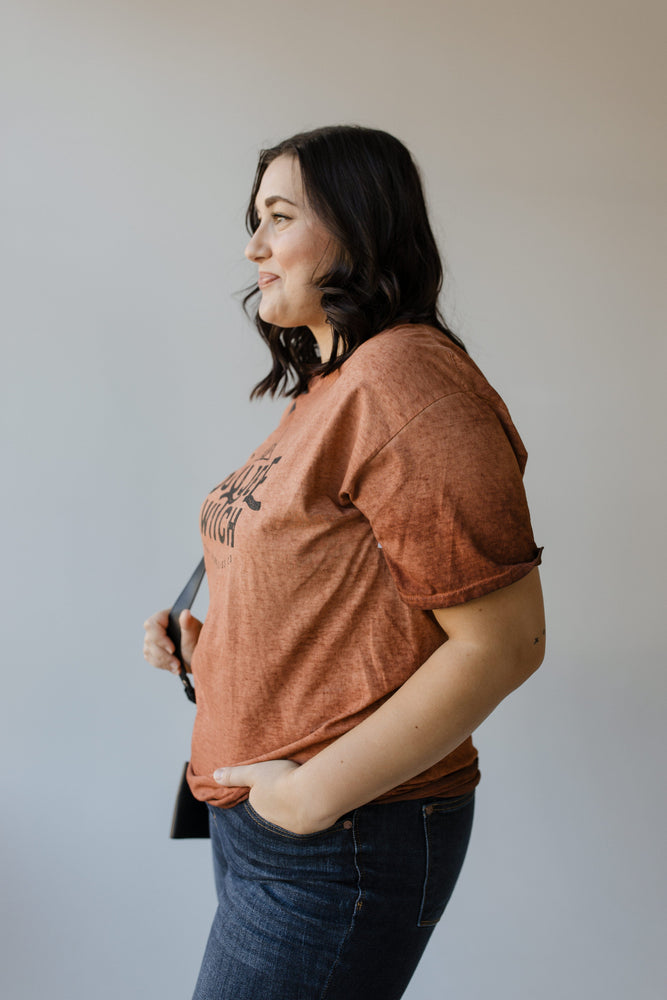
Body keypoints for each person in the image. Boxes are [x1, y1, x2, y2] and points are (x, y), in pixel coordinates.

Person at [143, 124, 545, 1000]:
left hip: (341, 834)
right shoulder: (335, 386)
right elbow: (337, 600)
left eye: (278, 217)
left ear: (357, 227)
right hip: (265, 821)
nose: (252, 246)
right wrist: (209, 648)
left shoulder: (407, 383)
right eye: (254, 219)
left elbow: (503, 643)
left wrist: (311, 797)